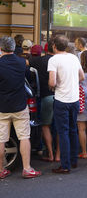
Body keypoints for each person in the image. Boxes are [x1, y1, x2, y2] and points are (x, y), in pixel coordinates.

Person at [0, 36, 41, 179]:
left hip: (2, 107)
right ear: (13, 48)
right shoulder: (22, 63)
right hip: (20, 105)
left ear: (1, 48)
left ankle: (1, 170)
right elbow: (27, 79)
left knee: (1, 139)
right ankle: (27, 168)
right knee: (24, 137)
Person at [48, 35, 85, 174]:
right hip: (74, 99)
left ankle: (65, 165)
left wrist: (55, 85)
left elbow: (52, 82)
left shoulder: (53, 60)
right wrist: (72, 83)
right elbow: (82, 76)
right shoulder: (74, 58)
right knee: (73, 130)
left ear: (54, 46)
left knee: (62, 132)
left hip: (61, 100)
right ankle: (73, 160)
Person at [28, 39, 58, 162]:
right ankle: (58, 156)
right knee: (60, 127)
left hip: (46, 97)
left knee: (45, 126)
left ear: (45, 50)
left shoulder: (38, 61)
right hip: (62, 97)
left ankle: (50, 154)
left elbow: (23, 63)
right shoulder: (61, 61)